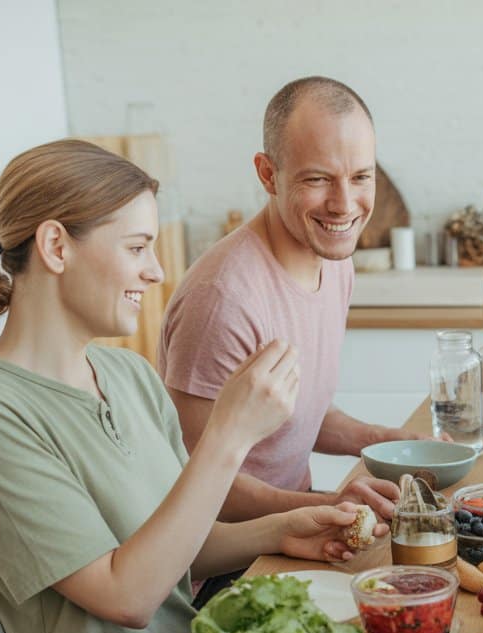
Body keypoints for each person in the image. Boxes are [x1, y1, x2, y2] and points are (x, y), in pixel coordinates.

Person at [0, 140, 386, 633]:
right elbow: (128, 595)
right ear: (57, 247)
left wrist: (281, 532)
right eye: (137, 247)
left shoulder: (123, 373)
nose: (155, 273)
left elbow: (174, 544)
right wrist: (228, 436)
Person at [160, 76, 423, 524]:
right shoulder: (222, 299)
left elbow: (295, 419)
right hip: (230, 561)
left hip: (297, 523)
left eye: (361, 177)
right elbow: (198, 486)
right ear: (268, 174)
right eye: (319, 179)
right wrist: (330, 507)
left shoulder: (334, 260)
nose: (344, 205)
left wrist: (392, 441)